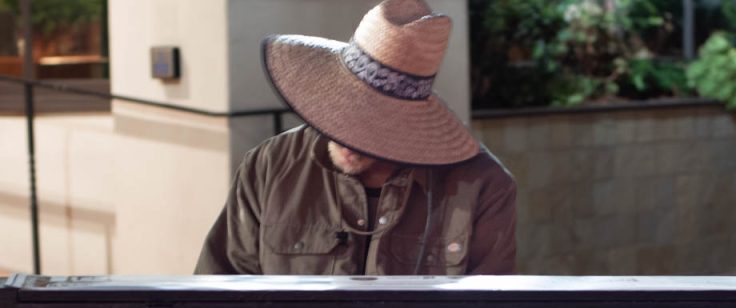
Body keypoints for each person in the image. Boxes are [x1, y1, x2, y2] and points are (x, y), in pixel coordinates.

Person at [195, 0, 516, 276]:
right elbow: (216, 301)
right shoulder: (268, 167)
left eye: (369, 125)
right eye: (339, 113)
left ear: (410, 124)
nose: (347, 137)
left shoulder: (481, 186)